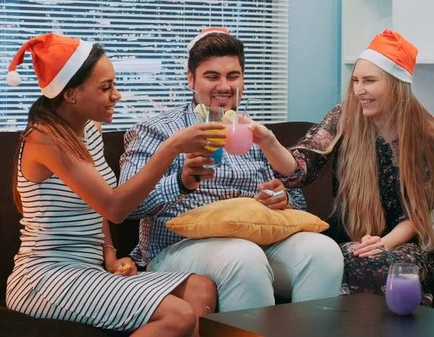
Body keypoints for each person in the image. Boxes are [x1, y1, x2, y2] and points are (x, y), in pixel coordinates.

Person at [5, 33, 224, 337]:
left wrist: (109, 254)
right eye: (106, 87)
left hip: (90, 270)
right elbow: (114, 206)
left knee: (201, 288)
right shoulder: (46, 139)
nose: (117, 95)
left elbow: (97, 206)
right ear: (70, 94)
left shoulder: (89, 129)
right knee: (179, 316)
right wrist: (170, 148)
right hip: (44, 278)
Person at [119, 28, 344, 312]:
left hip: (258, 244)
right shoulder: (156, 130)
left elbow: (294, 199)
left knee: (324, 252)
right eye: (212, 76)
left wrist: (283, 198)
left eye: (232, 76)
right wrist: (180, 182)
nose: (223, 86)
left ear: (243, 80)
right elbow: (127, 206)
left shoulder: (254, 132)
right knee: (243, 256)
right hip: (176, 249)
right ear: (191, 79)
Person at [250, 30, 434, 307]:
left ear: (395, 84)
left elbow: (417, 215)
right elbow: (298, 169)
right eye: (355, 80)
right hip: (347, 239)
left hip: (404, 243)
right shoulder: (344, 116)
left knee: (387, 270)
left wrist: (384, 243)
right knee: (341, 263)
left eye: (369, 81)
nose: (358, 90)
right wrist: (268, 141)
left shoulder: (428, 134)